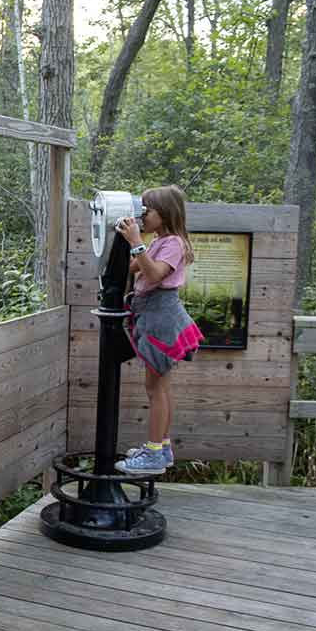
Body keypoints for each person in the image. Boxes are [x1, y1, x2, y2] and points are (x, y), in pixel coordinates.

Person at [112, 185, 204, 475]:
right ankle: (161, 448)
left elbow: (153, 274)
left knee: (156, 388)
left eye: (146, 211)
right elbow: (131, 268)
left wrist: (136, 241)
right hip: (152, 316)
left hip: (161, 320)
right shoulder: (158, 242)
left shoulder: (173, 243)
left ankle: (154, 453)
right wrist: (119, 241)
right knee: (157, 387)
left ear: (164, 214)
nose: (142, 217)